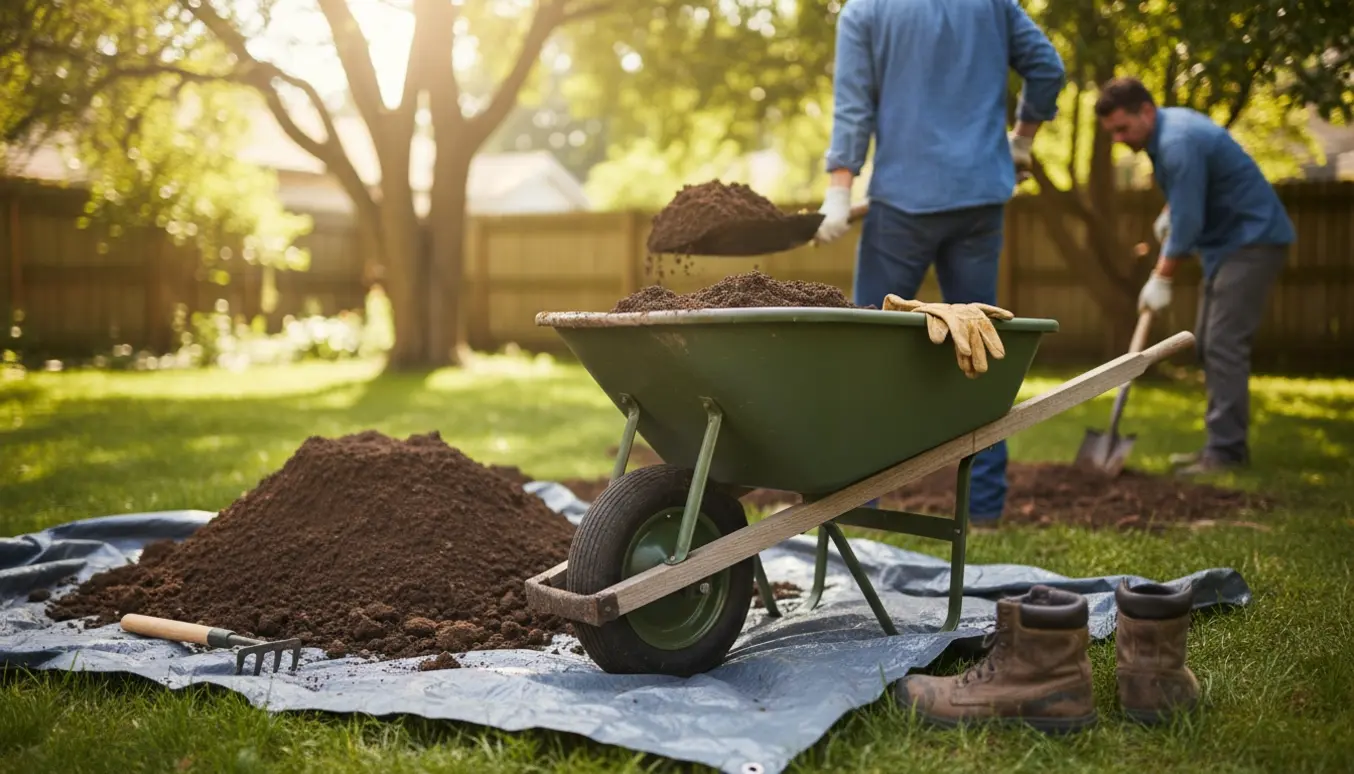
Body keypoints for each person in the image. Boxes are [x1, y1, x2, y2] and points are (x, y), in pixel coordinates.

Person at [814, 0, 1065, 524]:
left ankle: (860, 509)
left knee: (869, 354)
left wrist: (839, 189)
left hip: (903, 204)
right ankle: (985, 510)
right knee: (981, 350)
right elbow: (1048, 68)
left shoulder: (866, 11)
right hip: (979, 199)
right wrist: (1021, 141)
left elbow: (854, 106)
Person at [1094, 77, 1294, 475]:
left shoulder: (1176, 142)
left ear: (1146, 111)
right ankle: (1220, 447)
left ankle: (1226, 453)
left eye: (1122, 128)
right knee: (1209, 342)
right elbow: (1190, 196)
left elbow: (1189, 222)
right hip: (1229, 245)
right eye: (1112, 132)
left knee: (1222, 344)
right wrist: (1170, 213)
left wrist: (1162, 278)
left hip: (1252, 242)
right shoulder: (1170, 132)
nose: (1118, 139)